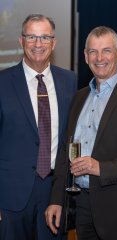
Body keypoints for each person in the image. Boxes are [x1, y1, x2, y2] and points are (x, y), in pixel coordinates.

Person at [45, 26, 117, 240]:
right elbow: (66, 150)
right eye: (93, 51)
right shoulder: (78, 98)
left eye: (107, 51)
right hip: (82, 206)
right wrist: (56, 199)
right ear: (85, 56)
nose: (99, 58)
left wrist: (101, 168)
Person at [0, 14, 77, 239]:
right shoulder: (2, 83)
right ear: (21, 41)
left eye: (44, 37)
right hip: (9, 198)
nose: (38, 44)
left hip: (54, 194)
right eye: (32, 37)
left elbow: (69, 138)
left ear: (54, 43)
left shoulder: (69, 81)